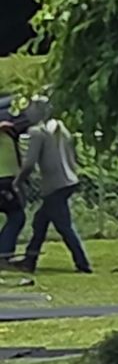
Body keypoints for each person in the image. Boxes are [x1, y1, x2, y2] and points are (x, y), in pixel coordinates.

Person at [11, 96, 91, 275]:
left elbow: (29, 163)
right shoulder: (61, 128)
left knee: (64, 226)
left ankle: (83, 264)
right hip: (69, 181)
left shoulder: (37, 132)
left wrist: (18, 182)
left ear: (39, 110)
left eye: (30, 108)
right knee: (40, 221)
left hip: (55, 185)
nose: (27, 112)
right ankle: (29, 260)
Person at [0, 98, 23, 264]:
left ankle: (4, 252)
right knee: (17, 216)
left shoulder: (10, 134)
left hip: (9, 179)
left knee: (15, 215)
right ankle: (4, 253)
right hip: (3, 180)